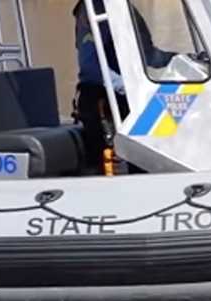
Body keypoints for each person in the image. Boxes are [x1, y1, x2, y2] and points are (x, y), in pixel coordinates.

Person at [72, 0, 175, 172]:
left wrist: (179, 58)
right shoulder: (94, 8)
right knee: (120, 165)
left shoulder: (124, 8)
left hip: (130, 98)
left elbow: (148, 56)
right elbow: (90, 67)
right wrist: (126, 86)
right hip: (104, 102)